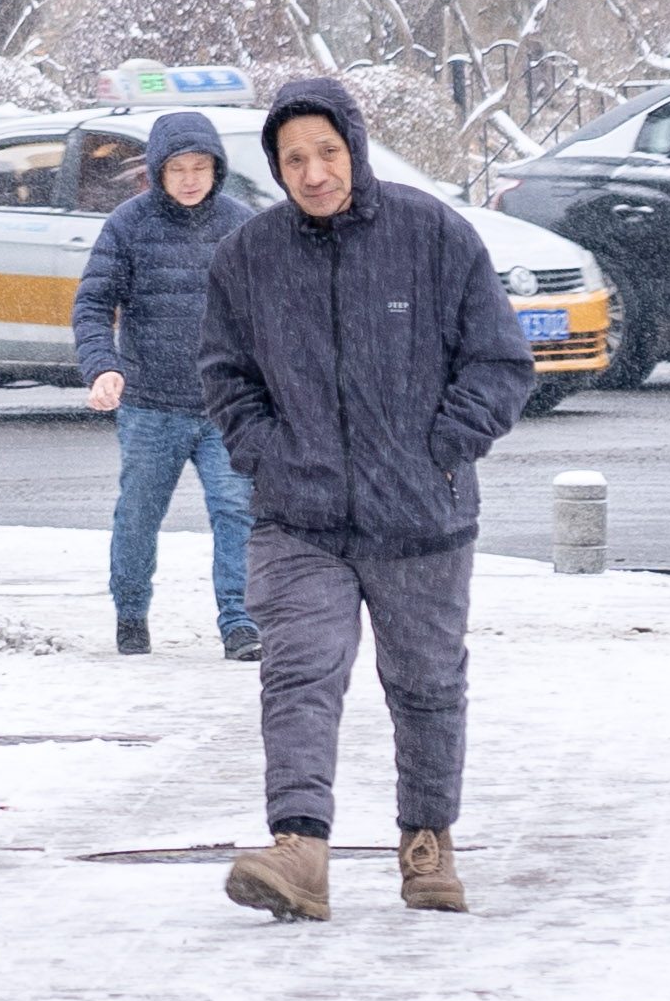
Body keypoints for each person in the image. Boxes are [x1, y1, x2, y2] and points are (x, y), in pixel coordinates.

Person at [196, 76, 530, 921]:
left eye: (327, 153)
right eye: (293, 159)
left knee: (424, 685)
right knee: (299, 672)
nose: (312, 173)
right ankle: (299, 847)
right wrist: (264, 453)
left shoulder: (430, 234)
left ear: (355, 147)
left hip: (421, 516)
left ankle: (426, 841)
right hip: (298, 517)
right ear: (274, 168)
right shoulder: (247, 257)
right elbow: (225, 376)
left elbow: (498, 360)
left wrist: (442, 445)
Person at [72, 109, 261, 662]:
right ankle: (131, 615)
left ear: (216, 169)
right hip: (151, 404)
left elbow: (274, 310)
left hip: (225, 406)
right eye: (177, 167)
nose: (189, 178)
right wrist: (102, 366)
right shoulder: (128, 226)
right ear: (157, 170)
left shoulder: (241, 225)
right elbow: (92, 304)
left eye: (200, 166)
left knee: (236, 511)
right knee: (139, 514)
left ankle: (240, 623)